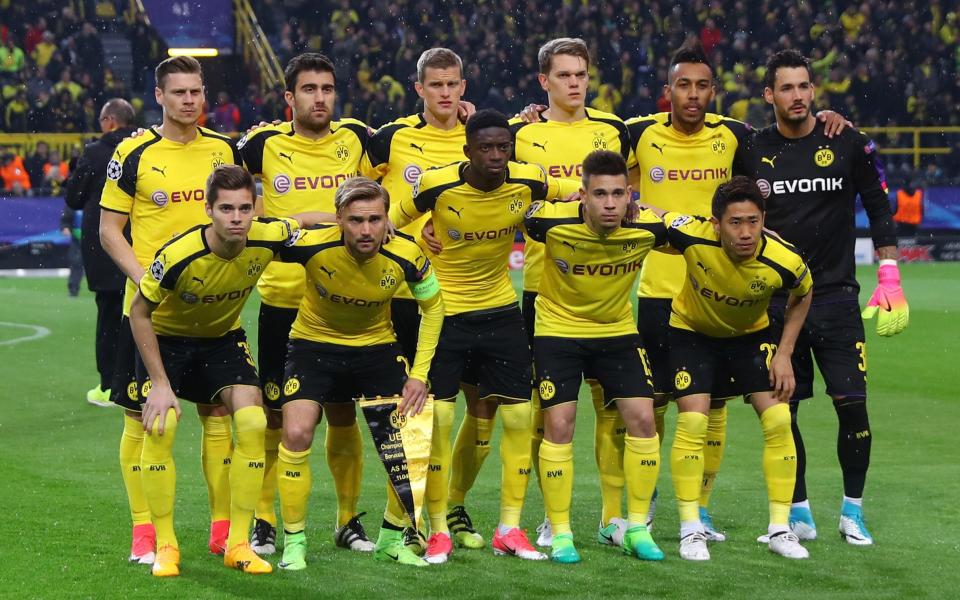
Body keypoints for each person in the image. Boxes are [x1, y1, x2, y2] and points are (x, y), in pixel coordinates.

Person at [624, 41, 849, 539]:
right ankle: (647, 499)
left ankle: (699, 509)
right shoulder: (638, 133)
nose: (693, 94)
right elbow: (592, 159)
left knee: (715, 407)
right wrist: (530, 115)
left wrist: (828, 117)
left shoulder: (735, 136)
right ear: (668, 91)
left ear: (713, 91)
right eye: (684, 84)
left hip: (719, 295)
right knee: (654, 406)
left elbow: (789, 139)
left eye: (703, 85)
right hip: (660, 292)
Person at [733, 49, 906, 545]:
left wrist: (889, 272)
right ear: (769, 95)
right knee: (782, 411)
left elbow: (877, 204)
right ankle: (801, 509)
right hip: (774, 304)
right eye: (786, 88)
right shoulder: (751, 149)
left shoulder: (845, 140)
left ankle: (853, 510)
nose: (797, 96)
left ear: (814, 90)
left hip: (835, 299)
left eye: (804, 87)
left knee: (853, 406)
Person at [391, 109, 580, 562]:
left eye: (503, 147)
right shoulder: (437, 185)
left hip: (500, 312)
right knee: (439, 420)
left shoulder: (528, 180)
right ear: (467, 151)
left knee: (517, 418)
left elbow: (575, 193)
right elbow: (389, 220)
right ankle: (437, 528)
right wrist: (422, 230)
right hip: (444, 313)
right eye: (486, 148)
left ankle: (509, 529)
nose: (496, 156)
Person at [129, 164, 322, 577]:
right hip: (166, 338)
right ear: (209, 210)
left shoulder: (266, 236)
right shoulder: (179, 255)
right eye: (227, 209)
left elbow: (304, 221)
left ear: (256, 209)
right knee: (161, 425)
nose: (237, 218)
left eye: (245, 209)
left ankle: (238, 543)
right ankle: (165, 546)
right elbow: (139, 312)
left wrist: (359, 221)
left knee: (253, 421)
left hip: (220, 338)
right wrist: (160, 383)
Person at [99, 55, 243, 565]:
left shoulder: (225, 150)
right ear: (159, 96)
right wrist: (148, 283)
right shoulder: (133, 152)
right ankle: (144, 531)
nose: (189, 100)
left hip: (213, 313)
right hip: (149, 313)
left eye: (196, 91)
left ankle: (223, 529)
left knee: (219, 412)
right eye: (179, 92)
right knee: (144, 420)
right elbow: (109, 230)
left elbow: (247, 216)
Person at [237, 52, 373, 557]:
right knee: (278, 417)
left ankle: (347, 520)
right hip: (283, 301)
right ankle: (266, 520)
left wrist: (466, 112)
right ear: (289, 98)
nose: (321, 98)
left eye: (328, 88)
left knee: (342, 414)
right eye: (310, 89)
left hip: (344, 302)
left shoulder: (357, 139)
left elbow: (410, 158)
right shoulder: (261, 144)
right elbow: (217, 178)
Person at [274, 177, 445, 570]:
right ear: (339, 220)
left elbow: (434, 308)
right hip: (314, 344)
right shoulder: (312, 244)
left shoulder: (407, 254)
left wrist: (418, 375)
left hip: (375, 346)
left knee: (411, 431)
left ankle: (390, 538)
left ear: (387, 219)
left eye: (375, 219)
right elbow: (269, 233)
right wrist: (308, 219)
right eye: (355, 220)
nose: (366, 230)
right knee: (297, 431)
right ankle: (294, 542)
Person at [508, 37, 632, 550]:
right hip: (544, 292)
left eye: (581, 74)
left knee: (613, 411)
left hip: (608, 291)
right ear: (544, 82)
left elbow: (631, 195)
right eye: (564, 75)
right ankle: (547, 517)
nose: (575, 83)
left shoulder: (612, 130)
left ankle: (612, 516)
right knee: (548, 413)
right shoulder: (521, 133)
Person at [652, 176, 813, 561]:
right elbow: (654, 217)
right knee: (693, 421)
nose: (746, 232)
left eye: (754, 221)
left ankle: (779, 528)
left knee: (778, 419)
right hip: (691, 333)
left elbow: (804, 293)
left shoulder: (784, 259)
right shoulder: (692, 234)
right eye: (736, 222)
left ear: (764, 219)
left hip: (748, 337)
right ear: (715, 223)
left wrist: (785, 352)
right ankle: (691, 529)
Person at [359, 47, 481, 555]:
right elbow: (359, 194)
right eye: (436, 85)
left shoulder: (483, 137)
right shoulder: (392, 137)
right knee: (419, 406)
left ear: (463, 86)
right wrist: (401, 228)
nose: (446, 93)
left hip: (479, 291)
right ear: (420, 89)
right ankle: (413, 516)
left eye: (453, 83)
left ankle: (450, 502)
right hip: (413, 292)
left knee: (486, 408)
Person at [524, 150, 666, 564]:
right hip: (557, 331)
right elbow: (511, 210)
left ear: (629, 196)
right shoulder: (550, 221)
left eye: (618, 194)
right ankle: (561, 530)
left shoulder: (649, 226)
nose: (609, 203)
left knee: (642, 418)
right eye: (599, 194)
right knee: (559, 425)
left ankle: (636, 527)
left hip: (616, 331)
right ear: (583, 195)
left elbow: (702, 235)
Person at [64, 98, 136, 407]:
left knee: (108, 315)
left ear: (108, 120)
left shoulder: (95, 153)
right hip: (142, 243)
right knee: (140, 313)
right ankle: (138, 383)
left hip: (105, 246)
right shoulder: (146, 146)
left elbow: (74, 198)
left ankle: (109, 386)